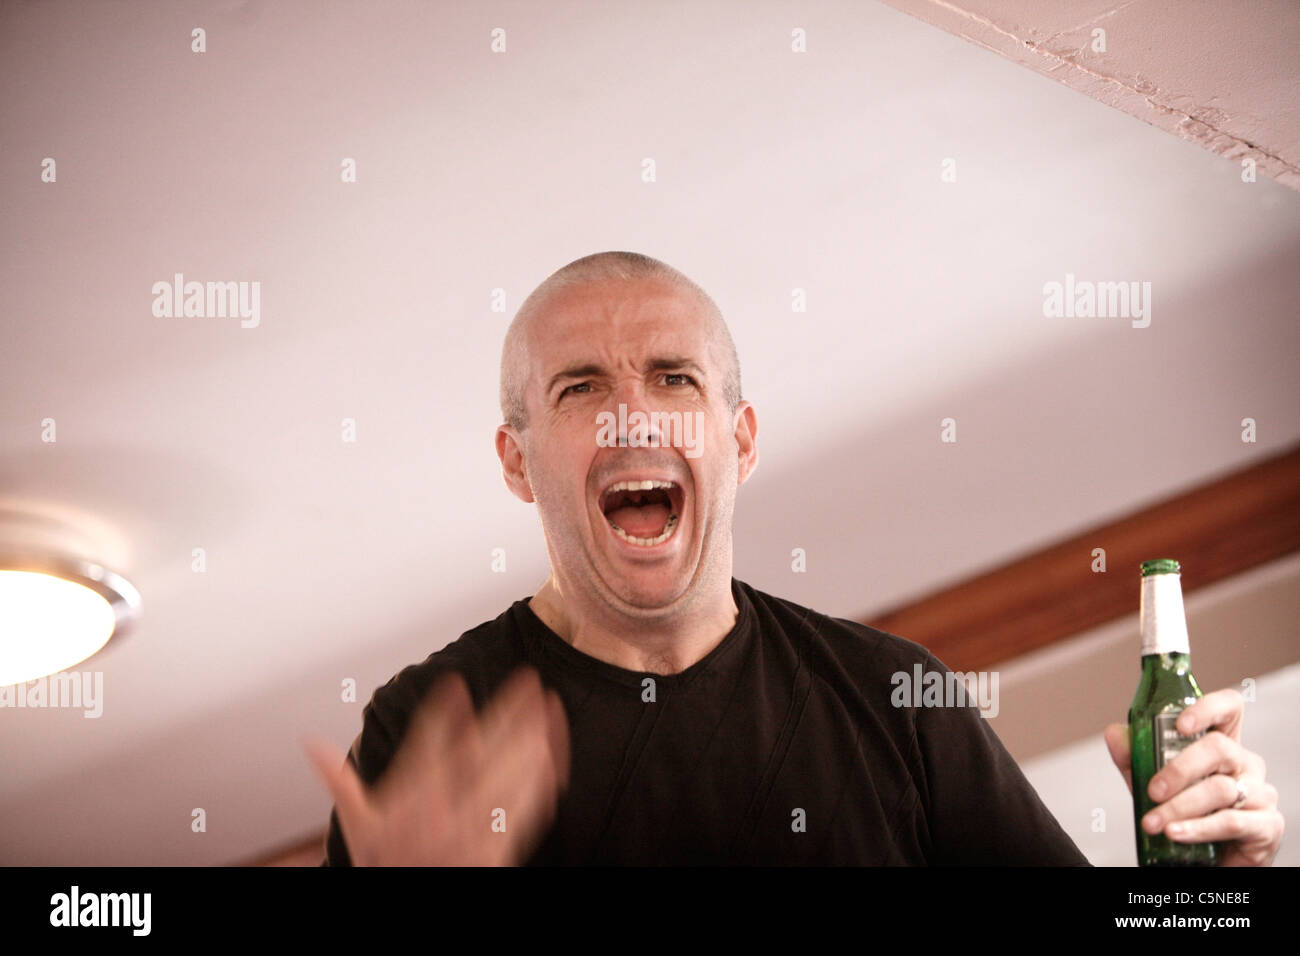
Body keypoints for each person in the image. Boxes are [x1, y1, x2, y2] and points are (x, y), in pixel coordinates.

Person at [306, 252, 1284, 866]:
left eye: (672, 377)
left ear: (740, 440)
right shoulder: (429, 729)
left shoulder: (896, 698)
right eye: (580, 387)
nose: (633, 412)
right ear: (517, 460)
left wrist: (1217, 888)